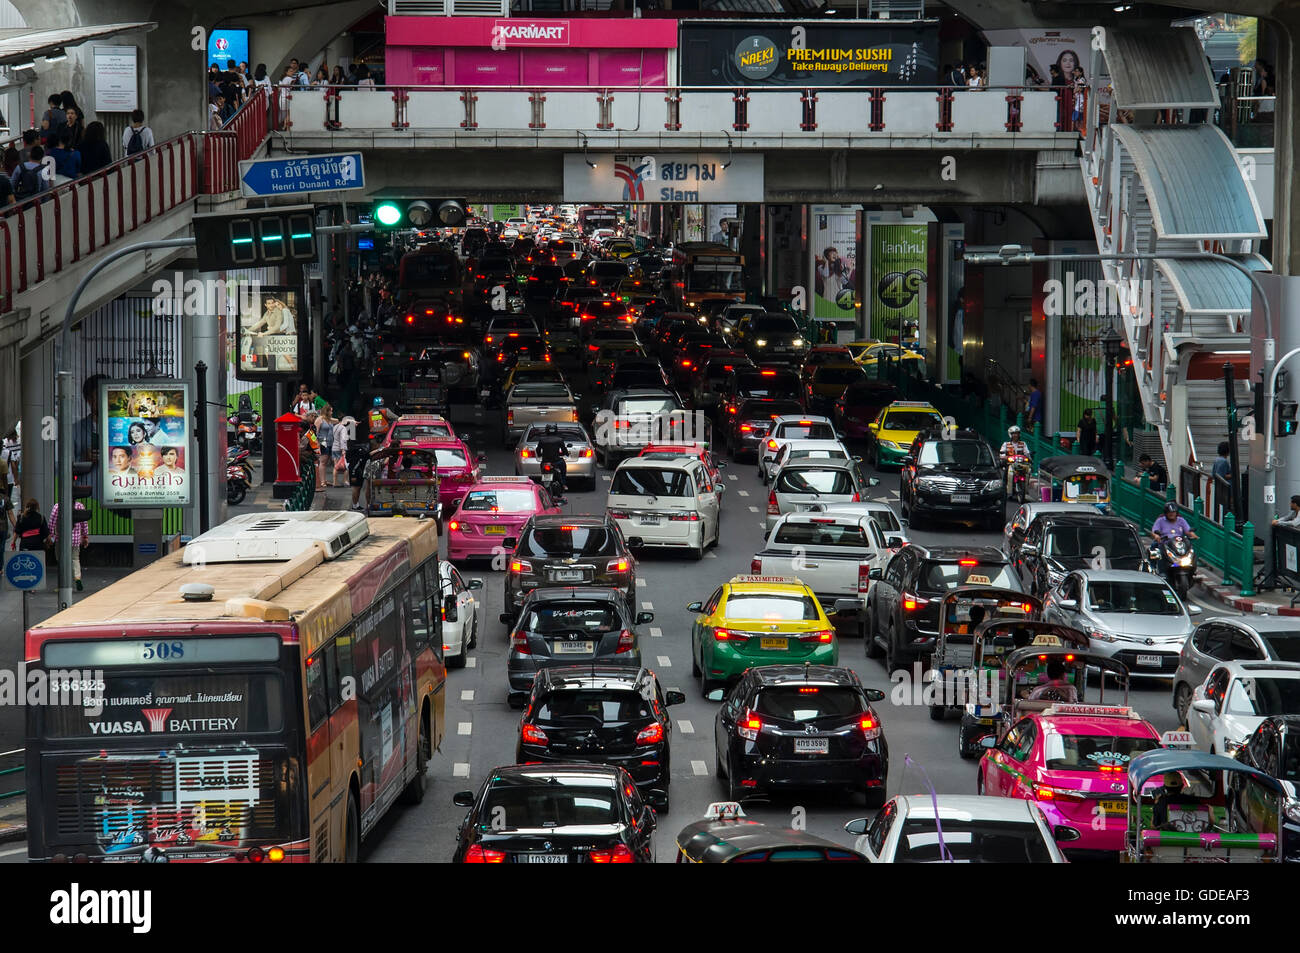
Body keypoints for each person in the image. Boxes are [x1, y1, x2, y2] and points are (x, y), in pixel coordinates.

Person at [48, 500, 89, 590]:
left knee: (61, 560)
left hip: (61, 539)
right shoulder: (80, 506)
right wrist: (85, 536)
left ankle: (63, 584)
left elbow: (52, 522)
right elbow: (84, 523)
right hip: (75, 539)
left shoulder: (57, 506)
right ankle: (77, 578)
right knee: (75, 559)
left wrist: (51, 535)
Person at [535, 422, 569, 497]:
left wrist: (541, 455)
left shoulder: (541, 440)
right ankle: (563, 484)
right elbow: (564, 451)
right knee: (563, 468)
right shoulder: (559, 440)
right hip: (556, 462)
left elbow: (538, 450)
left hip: (545, 462)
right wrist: (565, 454)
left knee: (543, 473)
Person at [999, 425, 1031, 493]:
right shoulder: (1006, 444)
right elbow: (1002, 454)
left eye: (1017, 433)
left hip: (1021, 463)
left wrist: (1029, 457)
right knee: (1006, 472)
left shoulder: (1023, 444)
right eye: (1014, 433)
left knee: (1028, 471)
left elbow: (1027, 453)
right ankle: (1004, 489)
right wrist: (1005, 457)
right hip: (1010, 463)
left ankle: (1026, 488)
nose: (1016, 435)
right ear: (1010, 434)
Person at [331, 415, 355, 487]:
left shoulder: (335, 427)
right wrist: (343, 449)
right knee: (346, 466)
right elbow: (343, 440)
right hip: (340, 449)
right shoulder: (343, 428)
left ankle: (335, 482)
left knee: (336, 466)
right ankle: (345, 481)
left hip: (334, 448)